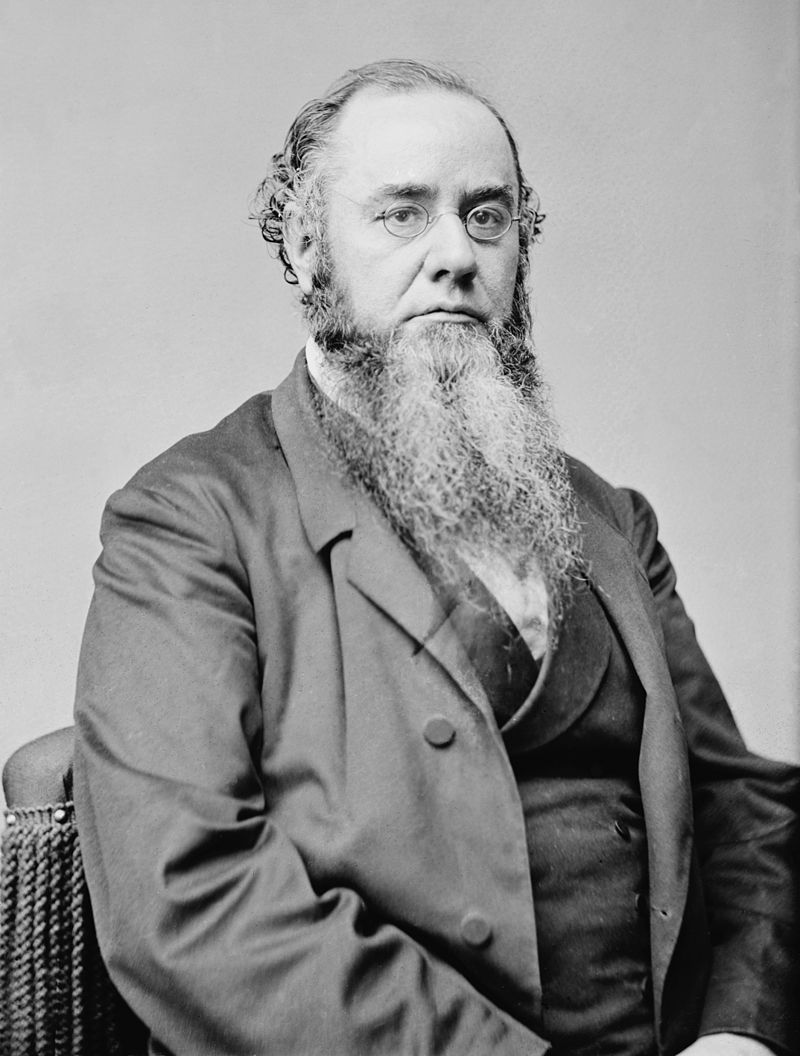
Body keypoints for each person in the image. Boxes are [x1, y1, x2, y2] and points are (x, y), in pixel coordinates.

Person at [73, 59, 799, 1056]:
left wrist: (741, 1033)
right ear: (305, 248)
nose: (455, 254)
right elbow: (190, 902)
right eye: (402, 214)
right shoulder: (192, 516)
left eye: (486, 216)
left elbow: (740, 808)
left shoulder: (607, 518)